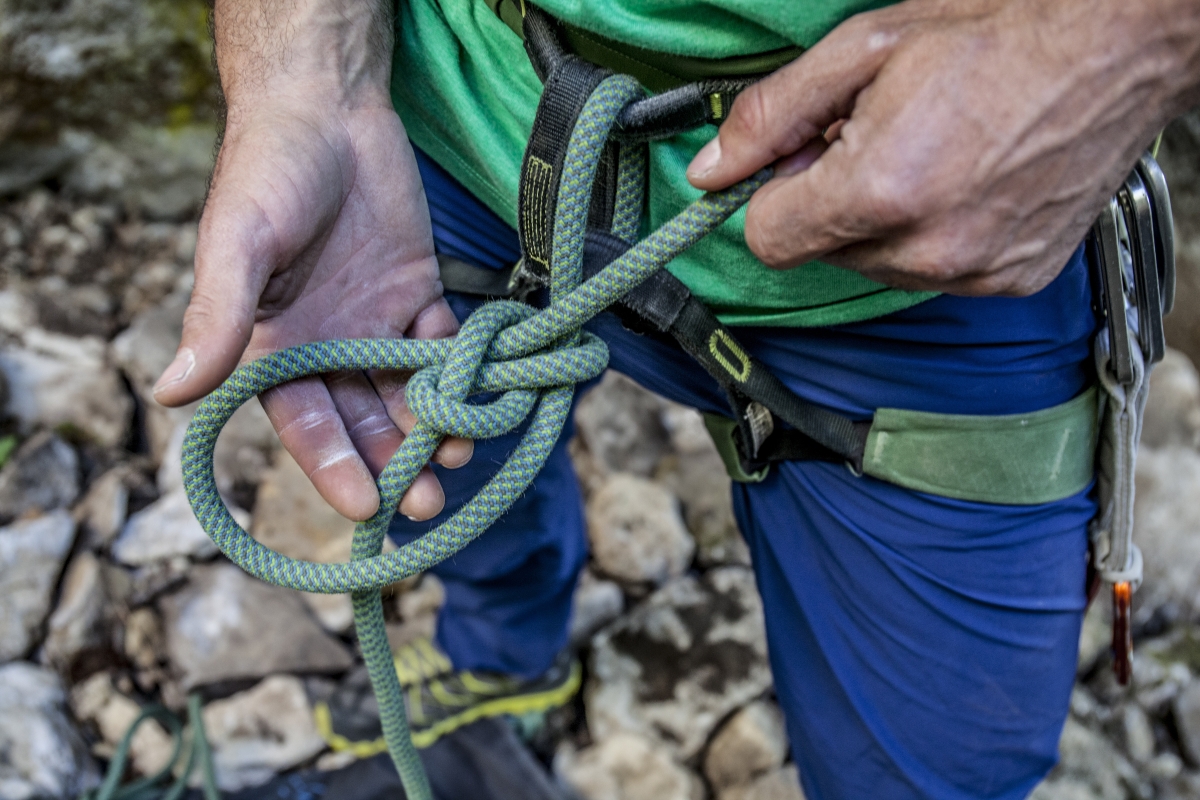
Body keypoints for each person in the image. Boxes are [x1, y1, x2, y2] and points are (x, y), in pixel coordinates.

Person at [152, 0, 1200, 796]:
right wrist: (301, 78)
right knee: (444, 483)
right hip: (455, 121)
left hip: (928, 216)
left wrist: (1115, 50)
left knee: (943, 754)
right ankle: (505, 656)